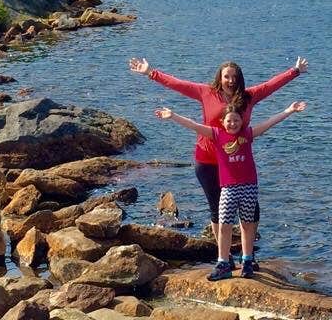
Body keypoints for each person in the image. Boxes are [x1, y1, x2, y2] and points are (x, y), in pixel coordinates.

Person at [128, 56, 308, 266]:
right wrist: (151, 72)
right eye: (226, 77)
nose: (230, 81)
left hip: (236, 165)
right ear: (219, 78)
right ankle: (226, 257)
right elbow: (178, 84)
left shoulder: (249, 96)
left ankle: (247, 255)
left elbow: (271, 85)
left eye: (234, 77)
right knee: (217, 211)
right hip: (208, 161)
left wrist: (294, 71)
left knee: (252, 210)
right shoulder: (206, 92)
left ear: (240, 79)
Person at [155, 100, 307, 279]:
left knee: (247, 225)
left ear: (241, 122)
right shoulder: (217, 134)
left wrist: (289, 110)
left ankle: (247, 262)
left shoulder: (248, 134)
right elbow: (194, 125)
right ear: (222, 122)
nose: (233, 123)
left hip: (249, 187)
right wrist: (173, 116)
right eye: (229, 120)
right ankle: (223, 264)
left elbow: (268, 123)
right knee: (225, 225)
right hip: (228, 188)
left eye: (236, 120)